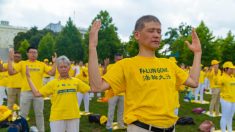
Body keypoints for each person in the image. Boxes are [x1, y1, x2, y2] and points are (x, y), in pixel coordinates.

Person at [88, 15, 201, 132]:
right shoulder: (126, 64)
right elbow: (97, 86)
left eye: (159, 31)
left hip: (170, 128)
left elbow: (194, 82)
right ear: (137, 35)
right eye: (151, 31)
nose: (156, 35)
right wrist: (92, 47)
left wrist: (197, 53)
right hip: (141, 128)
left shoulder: (169, 64)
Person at [26, 55, 90, 132]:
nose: (63, 69)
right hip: (57, 117)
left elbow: (90, 89)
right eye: (61, 67)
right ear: (57, 68)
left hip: (73, 116)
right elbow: (37, 93)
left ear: (69, 67)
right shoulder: (53, 83)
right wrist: (28, 78)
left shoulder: (76, 81)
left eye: (65, 66)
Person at [8, 47, 57, 132]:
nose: (33, 54)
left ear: (37, 54)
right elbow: (11, 72)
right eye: (31, 52)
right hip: (26, 92)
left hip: (38, 92)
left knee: (39, 114)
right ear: (27, 54)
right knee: (23, 114)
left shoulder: (41, 64)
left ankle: (41, 130)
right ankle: (22, 129)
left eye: (35, 52)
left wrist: (55, 62)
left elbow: (52, 73)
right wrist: (10, 59)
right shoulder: (22, 63)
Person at [104, 53, 125, 131]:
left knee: (121, 110)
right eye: (118, 59)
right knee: (111, 110)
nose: (120, 61)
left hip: (122, 93)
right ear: (115, 59)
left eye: (121, 59)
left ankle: (121, 124)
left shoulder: (125, 67)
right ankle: (109, 125)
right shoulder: (110, 66)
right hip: (112, 92)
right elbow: (104, 75)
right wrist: (105, 65)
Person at [218, 61, 235, 132]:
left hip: (233, 100)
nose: (232, 70)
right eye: (231, 69)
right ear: (225, 69)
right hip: (226, 100)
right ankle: (223, 130)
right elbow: (218, 86)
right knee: (225, 116)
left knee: (230, 116)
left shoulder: (233, 77)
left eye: (233, 69)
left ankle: (230, 130)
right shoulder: (222, 78)